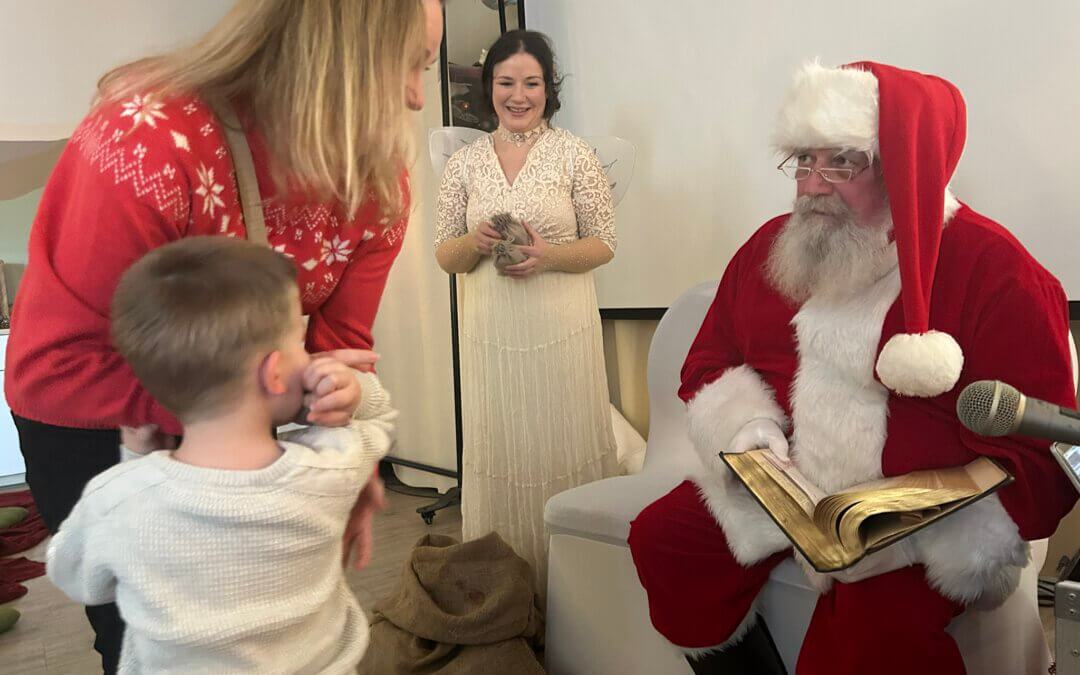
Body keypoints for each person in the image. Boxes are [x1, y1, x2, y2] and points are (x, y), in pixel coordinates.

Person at [5, 1, 444, 671]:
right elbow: (59, 367)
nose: (417, 95)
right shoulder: (146, 139)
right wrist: (289, 420)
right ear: (333, 51)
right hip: (94, 406)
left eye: (428, 67)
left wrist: (342, 431)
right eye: (409, 64)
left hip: (245, 403)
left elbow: (343, 356)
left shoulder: (378, 180)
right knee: (140, 627)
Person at [627, 61, 1078, 675]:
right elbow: (708, 360)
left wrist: (904, 525)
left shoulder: (999, 272)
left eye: (840, 162)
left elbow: (1037, 458)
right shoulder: (770, 249)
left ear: (902, 167)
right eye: (803, 162)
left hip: (917, 530)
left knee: (872, 638)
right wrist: (747, 436)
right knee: (665, 540)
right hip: (792, 489)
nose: (811, 185)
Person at [47, 237, 396, 673]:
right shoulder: (332, 466)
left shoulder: (117, 500)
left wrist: (135, 462)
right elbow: (380, 420)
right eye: (300, 343)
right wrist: (352, 387)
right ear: (275, 372)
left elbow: (73, 574)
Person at [434, 29, 618, 600]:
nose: (518, 95)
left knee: (559, 441)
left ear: (548, 88)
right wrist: (475, 239)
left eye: (531, 83)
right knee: (500, 445)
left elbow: (605, 243)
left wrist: (548, 257)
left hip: (560, 327)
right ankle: (502, 596)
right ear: (489, 87)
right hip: (490, 333)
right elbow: (446, 256)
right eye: (506, 82)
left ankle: (573, 593)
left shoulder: (574, 154)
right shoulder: (464, 163)